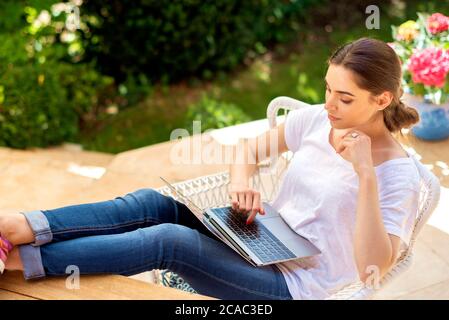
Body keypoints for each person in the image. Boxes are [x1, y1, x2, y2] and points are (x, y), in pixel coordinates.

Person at [0, 37, 421, 300]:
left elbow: (374, 268)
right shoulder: (318, 118)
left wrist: (365, 174)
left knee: (170, 241)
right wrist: (243, 186)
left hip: (291, 286)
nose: (329, 104)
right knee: (152, 203)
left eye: (344, 98)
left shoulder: (399, 176)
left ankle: (20, 259)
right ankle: (19, 225)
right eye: (328, 88)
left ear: (382, 99)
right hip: (262, 239)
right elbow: (248, 150)